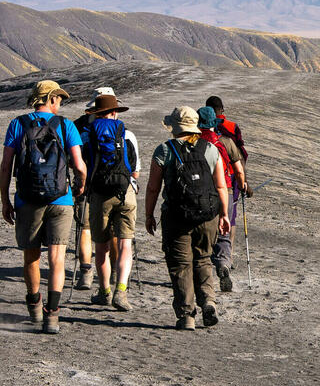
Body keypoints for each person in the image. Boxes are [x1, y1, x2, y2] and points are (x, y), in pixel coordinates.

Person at [0, 80, 87, 334]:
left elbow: (6, 165)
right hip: (61, 199)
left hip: (27, 199)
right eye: (58, 98)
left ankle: (34, 304)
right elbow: (79, 166)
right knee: (57, 258)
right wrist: (80, 185)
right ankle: (53, 315)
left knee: (31, 255)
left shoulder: (18, 124)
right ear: (50, 98)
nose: (60, 103)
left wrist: (5, 200)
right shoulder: (66, 126)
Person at [145, 106, 231, 330]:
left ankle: (186, 315)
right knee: (203, 259)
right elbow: (221, 186)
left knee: (180, 265)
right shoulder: (210, 149)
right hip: (207, 216)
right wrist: (224, 214)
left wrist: (148, 214)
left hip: (176, 216)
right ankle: (209, 302)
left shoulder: (164, 150)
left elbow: (153, 188)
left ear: (174, 126)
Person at [84, 94, 140, 311]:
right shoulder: (127, 134)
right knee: (125, 244)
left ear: (97, 113)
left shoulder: (89, 134)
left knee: (101, 246)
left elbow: (84, 164)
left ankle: (104, 291)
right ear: (115, 112)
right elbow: (134, 168)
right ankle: (121, 291)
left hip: (99, 194)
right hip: (125, 192)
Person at [73, 87, 123, 291]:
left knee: (85, 228)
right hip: (112, 185)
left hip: (86, 185)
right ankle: (112, 274)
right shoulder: (119, 128)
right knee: (112, 230)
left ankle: (86, 272)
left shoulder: (79, 126)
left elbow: (72, 157)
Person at [198, 106, 249, 292]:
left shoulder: (193, 142)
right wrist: (242, 184)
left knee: (202, 232)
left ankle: (203, 275)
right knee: (223, 232)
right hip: (225, 191)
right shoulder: (225, 141)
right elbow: (238, 169)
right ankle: (224, 264)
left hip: (200, 192)